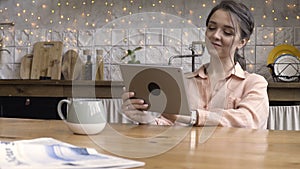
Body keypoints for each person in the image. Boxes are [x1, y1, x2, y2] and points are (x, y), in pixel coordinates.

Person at [121, 0, 269, 129]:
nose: (216, 35)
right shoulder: (184, 82)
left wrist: (193, 117)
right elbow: (169, 125)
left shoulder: (254, 83)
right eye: (211, 28)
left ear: (242, 42)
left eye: (227, 32)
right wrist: (147, 120)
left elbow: (247, 120)